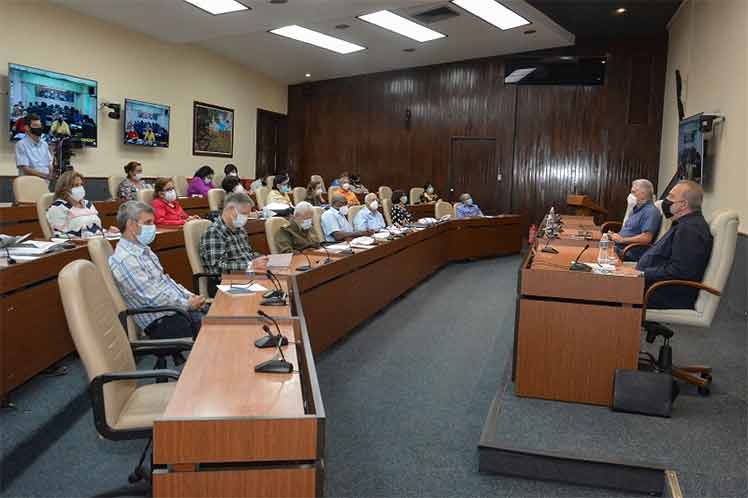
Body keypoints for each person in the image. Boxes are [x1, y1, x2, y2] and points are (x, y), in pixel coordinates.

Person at [110, 201, 205, 339]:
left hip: (176, 311)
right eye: (148, 222)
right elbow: (153, 298)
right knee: (222, 329)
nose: (153, 227)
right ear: (131, 224)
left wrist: (190, 296)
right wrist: (188, 304)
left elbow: (166, 282)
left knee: (226, 317)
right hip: (161, 322)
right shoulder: (125, 260)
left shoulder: (144, 250)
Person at [636, 180, 713, 310]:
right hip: (656, 287)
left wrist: (641, 274)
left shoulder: (690, 229)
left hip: (663, 294)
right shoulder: (684, 224)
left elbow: (679, 271)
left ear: (683, 205)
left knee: (605, 292)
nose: (666, 200)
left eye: (671, 197)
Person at [199, 192, 260, 275]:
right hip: (226, 282)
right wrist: (249, 265)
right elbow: (217, 267)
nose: (246, 218)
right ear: (231, 209)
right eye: (243, 214)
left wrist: (259, 259)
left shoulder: (240, 230)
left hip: (247, 276)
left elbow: (247, 254)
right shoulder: (214, 232)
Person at [47, 171, 117, 238]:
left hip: (95, 241)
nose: (80, 188)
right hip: (78, 245)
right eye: (76, 185)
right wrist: (81, 238)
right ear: (64, 189)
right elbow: (58, 235)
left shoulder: (88, 204)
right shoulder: (58, 207)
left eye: (81, 185)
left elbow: (95, 227)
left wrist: (107, 232)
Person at [609, 179, 662, 261]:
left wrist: (622, 240)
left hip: (629, 252)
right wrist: (615, 236)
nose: (631, 195)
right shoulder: (636, 210)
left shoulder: (651, 211)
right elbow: (630, 231)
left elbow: (646, 238)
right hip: (619, 246)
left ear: (643, 194)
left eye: (633, 192)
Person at [15, 113, 52, 181]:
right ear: (27, 127)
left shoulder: (44, 144)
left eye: (40, 125)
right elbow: (25, 169)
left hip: (45, 185)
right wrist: (46, 176)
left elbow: (49, 164)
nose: (39, 128)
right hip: (29, 185)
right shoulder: (21, 144)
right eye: (35, 125)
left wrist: (52, 174)